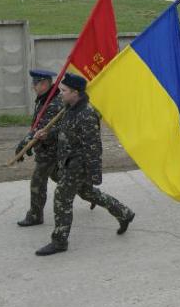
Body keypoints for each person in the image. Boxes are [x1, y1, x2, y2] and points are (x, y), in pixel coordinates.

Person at [32, 73, 134, 256]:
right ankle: (124, 212)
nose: (60, 93)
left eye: (64, 90)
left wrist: (95, 175)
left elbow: (94, 148)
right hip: (68, 161)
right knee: (88, 193)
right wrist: (47, 133)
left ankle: (59, 241)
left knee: (62, 198)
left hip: (78, 165)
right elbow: (63, 128)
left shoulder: (87, 114)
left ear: (75, 92)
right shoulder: (69, 108)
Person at [16, 69, 64, 227]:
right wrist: (25, 142)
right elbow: (36, 126)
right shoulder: (44, 98)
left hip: (51, 150)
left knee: (37, 182)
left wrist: (24, 144)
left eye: (34, 84)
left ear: (44, 84)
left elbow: (42, 130)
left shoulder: (53, 103)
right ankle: (91, 194)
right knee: (63, 179)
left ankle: (35, 215)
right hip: (47, 149)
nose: (32, 87)